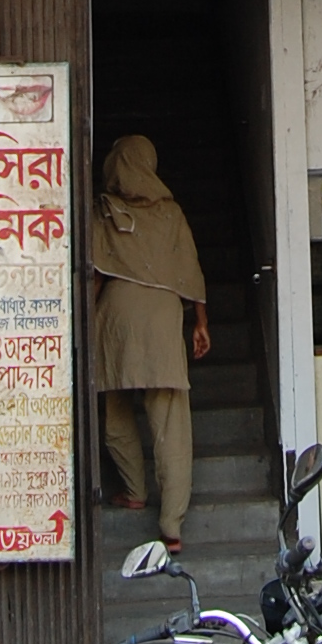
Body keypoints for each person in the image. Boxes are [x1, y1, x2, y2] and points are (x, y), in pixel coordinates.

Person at [94, 137, 210, 553]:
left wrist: (87, 324)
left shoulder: (104, 209)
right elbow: (189, 270)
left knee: (115, 406)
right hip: (163, 315)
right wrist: (200, 322)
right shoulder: (172, 213)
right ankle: (172, 524)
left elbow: (95, 272)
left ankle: (133, 489)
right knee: (170, 419)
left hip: (116, 313)